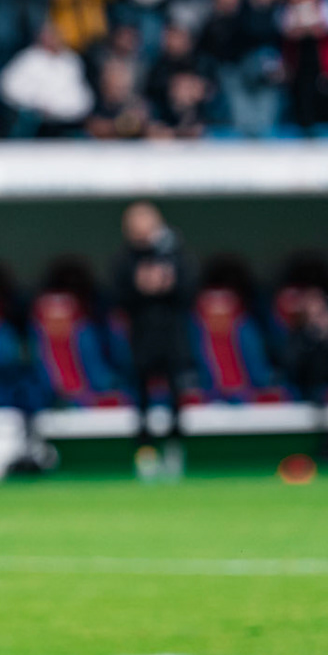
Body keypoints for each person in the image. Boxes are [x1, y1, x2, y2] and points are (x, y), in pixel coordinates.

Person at [112, 201, 194, 478]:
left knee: (175, 397)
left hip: (172, 337)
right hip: (141, 338)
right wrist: (140, 286)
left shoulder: (174, 253)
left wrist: (167, 283)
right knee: (142, 402)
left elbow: (189, 290)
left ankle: (174, 455)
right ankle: (145, 458)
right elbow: (118, 296)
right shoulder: (126, 259)